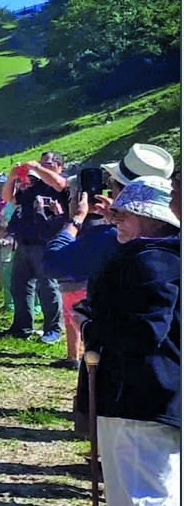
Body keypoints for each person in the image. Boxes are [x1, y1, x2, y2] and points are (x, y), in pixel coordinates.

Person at [75, 176, 180, 506]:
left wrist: (93, 325)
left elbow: (146, 331)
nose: (115, 220)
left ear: (150, 218)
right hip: (143, 397)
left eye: (123, 214)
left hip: (138, 398)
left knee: (144, 503)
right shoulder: (157, 257)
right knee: (138, 504)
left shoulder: (152, 262)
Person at [47, 144, 176, 369]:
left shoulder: (127, 249)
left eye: (112, 184)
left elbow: (54, 262)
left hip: (130, 378)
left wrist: (76, 219)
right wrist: (118, 218)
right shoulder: (171, 247)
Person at [4, 151, 69, 343]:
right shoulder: (35, 186)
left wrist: (36, 167)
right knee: (20, 286)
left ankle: (53, 330)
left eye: (48, 164)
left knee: (48, 288)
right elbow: (10, 198)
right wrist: (12, 177)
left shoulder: (63, 187)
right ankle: (21, 327)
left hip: (48, 243)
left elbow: (59, 184)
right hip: (25, 241)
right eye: (41, 163)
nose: (42, 167)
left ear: (59, 166)